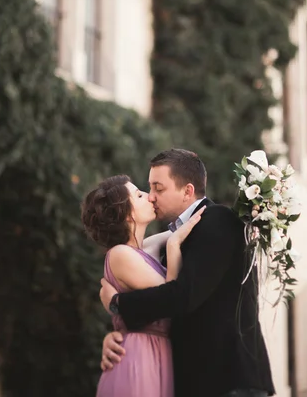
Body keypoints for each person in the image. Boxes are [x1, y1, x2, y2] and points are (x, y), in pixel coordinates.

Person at [100, 149, 275, 397]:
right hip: (197, 380)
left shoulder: (218, 221)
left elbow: (183, 296)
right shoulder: (172, 240)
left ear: (188, 191)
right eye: (148, 189)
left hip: (230, 377)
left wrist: (117, 303)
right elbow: (161, 310)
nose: (151, 197)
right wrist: (117, 335)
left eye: (158, 189)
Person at [81, 174, 206, 397]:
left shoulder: (143, 249)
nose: (149, 197)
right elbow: (171, 297)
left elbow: (192, 221)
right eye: (139, 195)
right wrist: (174, 244)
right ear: (127, 214)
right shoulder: (120, 254)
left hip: (157, 354)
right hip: (138, 358)